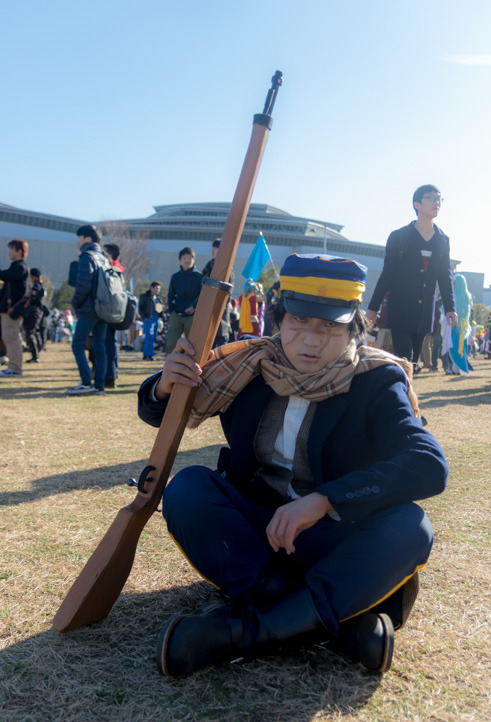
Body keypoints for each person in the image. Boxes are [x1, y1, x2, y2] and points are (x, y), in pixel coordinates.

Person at [138, 253, 449, 678]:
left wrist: (324, 500)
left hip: (336, 540)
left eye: (330, 326)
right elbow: (161, 413)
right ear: (279, 319)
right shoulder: (247, 365)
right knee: (187, 488)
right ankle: (333, 620)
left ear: (354, 327)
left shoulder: (377, 379)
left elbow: (427, 464)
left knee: (411, 526)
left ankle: (244, 632)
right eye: (299, 321)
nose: (311, 339)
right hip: (259, 536)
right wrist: (164, 385)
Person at [366, 185, 458, 370]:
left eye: (439, 199)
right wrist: (372, 308)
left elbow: (445, 276)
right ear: (417, 204)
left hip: (425, 311)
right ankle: (402, 397)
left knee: (413, 362)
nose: (436, 202)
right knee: (404, 360)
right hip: (400, 307)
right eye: (431, 198)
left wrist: (450, 307)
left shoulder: (442, 240)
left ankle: (405, 395)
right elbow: (387, 274)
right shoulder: (399, 236)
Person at [66, 224, 108, 395]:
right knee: (100, 346)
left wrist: (75, 303)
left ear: (88, 239)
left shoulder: (86, 256)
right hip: (104, 308)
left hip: (89, 308)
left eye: (80, 237)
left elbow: (83, 284)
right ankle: (99, 385)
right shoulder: (104, 257)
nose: (78, 241)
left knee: (77, 344)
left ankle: (85, 382)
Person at [0, 239, 29, 377]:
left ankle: (15, 368)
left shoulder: (20, 267)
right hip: (9, 310)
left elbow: (5, 275)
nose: (9, 252)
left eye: (11, 248)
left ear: (19, 251)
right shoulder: (17, 266)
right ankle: (12, 367)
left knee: (11, 337)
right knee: (8, 337)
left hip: (13, 311)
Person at [165, 247, 202, 353]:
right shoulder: (175, 277)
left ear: (194, 260)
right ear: (179, 260)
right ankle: (170, 365)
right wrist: (172, 310)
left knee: (192, 344)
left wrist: (194, 307)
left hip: (192, 315)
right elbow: (171, 295)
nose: (187, 260)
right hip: (176, 313)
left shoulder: (199, 277)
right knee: (171, 341)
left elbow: (201, 295)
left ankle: (189, 366)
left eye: (190, 258)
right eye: (184, 258)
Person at [201, 238, 234, 347]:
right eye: (213, 248)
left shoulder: (227, 267)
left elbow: (228, 292)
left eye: (217, 248)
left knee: (220, 341)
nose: (213, 250)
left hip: (219, 310)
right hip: (206, 309)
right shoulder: (209, 265)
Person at [103, 243, 125, 388]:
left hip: (108, 311)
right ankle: (112, 372)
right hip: (115, 311)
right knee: (112, 344)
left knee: (108, 344)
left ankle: (110, 376)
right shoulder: (119, 269)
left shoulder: (112, 270)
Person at [23, 268, 46, 363]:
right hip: (38, 312)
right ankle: (38, 350)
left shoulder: (37, 286)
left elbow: (31, 297)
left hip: (34, 311)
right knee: (35, 332)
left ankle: (35, 355)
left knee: (30, 333)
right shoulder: (42, 286)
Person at [138, 281, 162, 361]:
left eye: (159, 289)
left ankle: (146, 354)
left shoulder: (158, 298)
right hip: (148, 319)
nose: (158, 290)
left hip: (156, 319)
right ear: (151, 288)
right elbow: (140, 307)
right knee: (149, 337)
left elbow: (159, 309)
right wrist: (144, 317)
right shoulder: (145, 296)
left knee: (153, 337)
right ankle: (149, 355)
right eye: (156, 288)